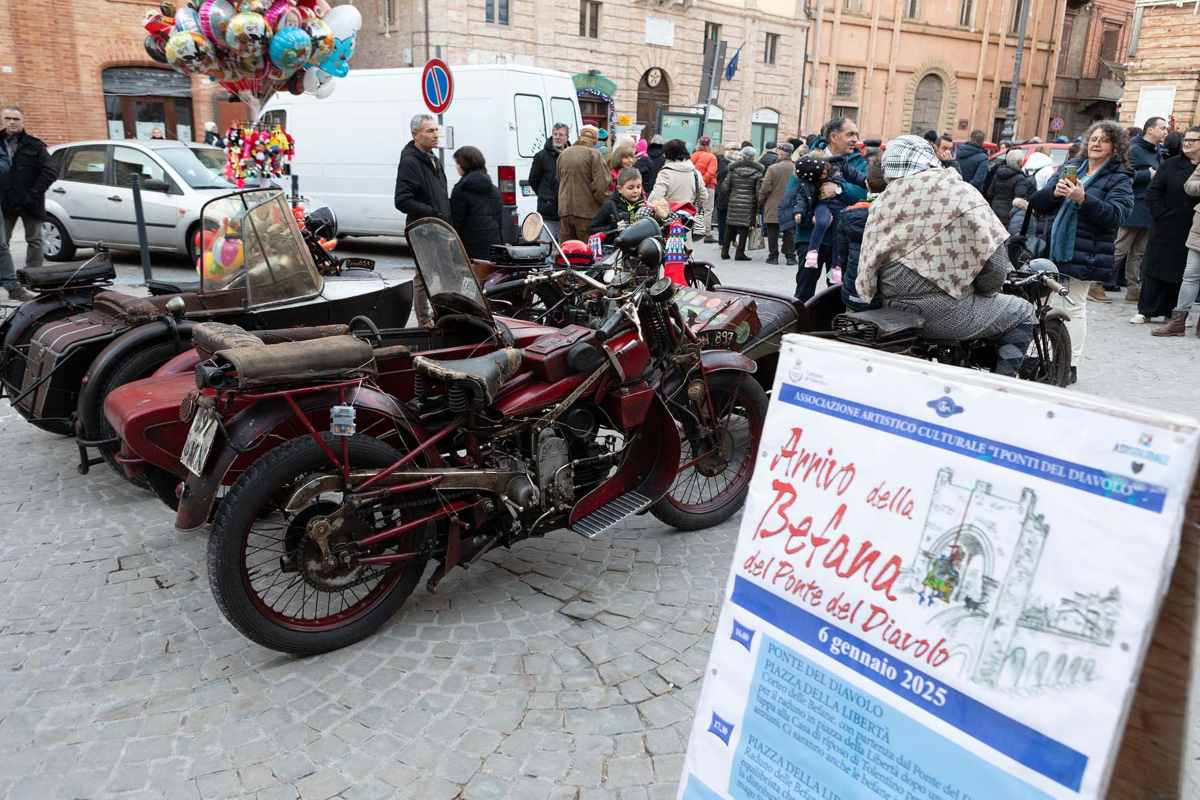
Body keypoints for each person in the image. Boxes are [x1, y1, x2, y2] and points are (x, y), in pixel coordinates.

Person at [857, 136, 1036, 378]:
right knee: (1022, 311)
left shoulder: (883, 202)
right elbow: (994, 262)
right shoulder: (958, 192)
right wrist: (986, 289)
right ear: (929, 158)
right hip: (947, 314)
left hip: (892, 310)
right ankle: (1001, 386)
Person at [1030, 120, 1134, 373]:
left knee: (1072, 307)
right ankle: (1049, 358)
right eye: (1094, 138)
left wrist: (1084, 199)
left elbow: (1116, 216)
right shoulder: (1072, 167)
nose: (1097, 143)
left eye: (1104, 140)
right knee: (1047, 306)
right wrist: (1054, 193)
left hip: (1086, 252)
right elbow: (1038, 204)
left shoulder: (1119, 177)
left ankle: (1069, 364)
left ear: (1115, 147)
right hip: (1052, 250)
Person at [395, 114, 451, 326]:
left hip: (439, 227)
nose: (435, 135)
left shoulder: (433, 159)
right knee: (424, 275)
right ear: (415, 135)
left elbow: (440, 194)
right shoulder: (410, 161)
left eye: (436, 130)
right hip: (422, 229)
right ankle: (424, 321)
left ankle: (444, 315)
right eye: (430, 131)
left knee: (444, 273)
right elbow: (402, 200)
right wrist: (432, 212)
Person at [1143, 127, 1200, 333]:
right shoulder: (1171, 164)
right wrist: (1161, 215)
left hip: (1190, 225)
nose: (1188, 142)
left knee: (1183, 273)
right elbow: (1156, 191)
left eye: (1193, 140)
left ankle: (1177, 315)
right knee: (1175, 271)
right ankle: (1154, 312)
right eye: (1187, 139)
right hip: (1170, 225)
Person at [0, 106, 54, 302]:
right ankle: (8, 280)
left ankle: (34, 278)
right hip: (5, 201)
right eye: (8, 118)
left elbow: (50, 171)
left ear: (22, 121)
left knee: (35, 240)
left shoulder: (35, 145)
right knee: (2, 243)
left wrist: (34, 193)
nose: (12, 122)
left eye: (16, 119)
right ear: (2, 120)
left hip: (30, 201)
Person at [1113, 116, 1167, 302]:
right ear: (1150, 130)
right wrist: (1148, 175)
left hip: (1149, 208)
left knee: (1138, 253)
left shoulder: (1157, 150)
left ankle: (1133, 289)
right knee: (1119, 249)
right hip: (1134, 207)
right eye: (1162, 128)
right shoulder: (1134, 149)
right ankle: (1096, 284)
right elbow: (1123, 175)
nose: (1165, 131)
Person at [837, 156, 887, 311]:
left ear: (866, 184)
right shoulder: (898, 214)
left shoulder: (849, 215)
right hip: (888, 294)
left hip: (855, 292)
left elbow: (842, 256)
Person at [556, 125, 610, 241]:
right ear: (595, 140)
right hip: (586, 213)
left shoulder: (564, 153)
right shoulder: (594, 154)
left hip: (565, 211)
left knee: (567, 248)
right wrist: (606, 204)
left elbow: (559, 179)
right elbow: (601, 187)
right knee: (586, 249)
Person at [449, 146, 503, 260]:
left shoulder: (461, 189)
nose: (456, 167)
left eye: (457, 163)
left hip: (469, 245)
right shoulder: (493, 188)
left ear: (464, 165)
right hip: (493, 242)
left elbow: (456, 221)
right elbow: (498, 218)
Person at [719, 146, 765, 261]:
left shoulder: (733, 169)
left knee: (730, 226)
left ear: (743, 156)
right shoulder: (758, 172)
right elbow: (758, 192)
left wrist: (731, 195)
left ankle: (725, 252)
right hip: (749, 204)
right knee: (744, 228)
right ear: (753, 157)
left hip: (734, 201)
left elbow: (725, 187)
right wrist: (759, 205)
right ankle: (739, 253)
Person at [758, 142, 796, 265]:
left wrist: (760, 201)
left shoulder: (773, 168)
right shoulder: (796, 168)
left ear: (781, 153)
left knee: (772, 231)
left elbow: (765, 188)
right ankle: (790, 257)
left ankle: (773, 256)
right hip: (790, 204)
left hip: (773, 204)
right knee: (789, 232)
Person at [529, 122, 569, 237]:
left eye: (561, 135)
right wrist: (545, 195)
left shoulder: (570, 156)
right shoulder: (541, 156)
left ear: (567, 137)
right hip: (547, 211)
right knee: (546, 245)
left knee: (564, 245)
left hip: (566, 211)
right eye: (555, 134)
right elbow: (533, 180)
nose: (557, 137)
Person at [648, 139, 704, 216]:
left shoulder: (665, 173)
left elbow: (656, 197)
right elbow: (703, 195)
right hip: (689, 217)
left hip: (668, 217)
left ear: (667, 154)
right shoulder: (696, 173)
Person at [985, 149, 1033, 228]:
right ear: (1019, 162)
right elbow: (1019, 200)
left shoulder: (998, 174)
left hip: (994, 211)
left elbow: (990, 193)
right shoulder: (1020, 179)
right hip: (1009, 215)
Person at [590, 168, 646, 233]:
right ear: (619, 189)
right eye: (630, 188)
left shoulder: (643, 205)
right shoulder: (610, 205)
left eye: (638, 187)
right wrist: (613, 227)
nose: (635, 191)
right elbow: (592, 229)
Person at [691, 135, 718, 242]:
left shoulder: (693, 156)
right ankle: (707, 234)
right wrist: (702, 183)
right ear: (709, 145)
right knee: (707, 210)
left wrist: (696, 183)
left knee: (695, 208)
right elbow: (711, 173)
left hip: (694, 186)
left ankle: (695, 231)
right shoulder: (712, 157)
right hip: (708, 186)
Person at [714, 145, 736, 250]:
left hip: (720, 194)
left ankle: (722, 240)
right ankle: (732, 239)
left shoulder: (715, 163)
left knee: (721, 219)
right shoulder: (730, 165)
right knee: (730, 219)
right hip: (730, 196)